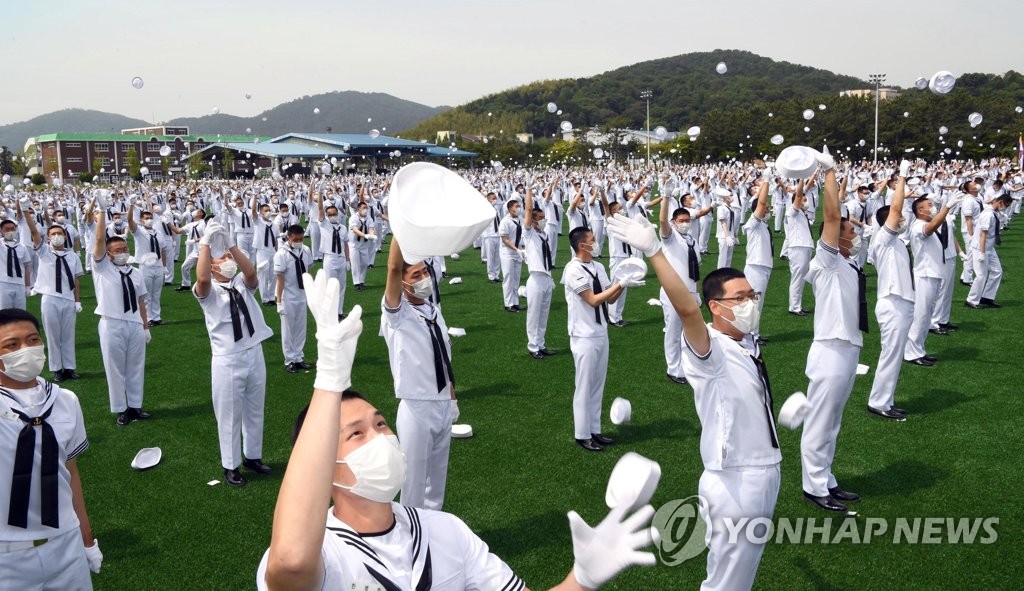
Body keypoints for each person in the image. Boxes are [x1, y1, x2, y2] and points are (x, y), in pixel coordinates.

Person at [257, 272, 657, 591]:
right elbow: (291, 565)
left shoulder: (445, 531)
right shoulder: (324, 553)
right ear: (324, 462)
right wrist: (330, 377)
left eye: (381, 424)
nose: (380, 436)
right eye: (356, 434)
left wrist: (581, 580)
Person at [606, 212, 781, 591]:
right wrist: (654, 250)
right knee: (727, 580)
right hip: (736, 477)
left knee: (737, 574)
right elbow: (687, 309)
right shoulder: (711, 348)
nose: (751, 302)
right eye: (741, 297)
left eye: (753, 295)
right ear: (716, 307)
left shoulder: (744, 343)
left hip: (761, 470)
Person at [0, 308, 102, 588]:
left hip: (65, 543)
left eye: (33, 340)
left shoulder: (65, 400)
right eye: (11, 345)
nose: (26, 349)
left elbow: (70, 472)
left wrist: (86, 537)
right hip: (7, 556)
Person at [800, 151, 863, 514]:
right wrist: (829, 172)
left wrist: (838, 181)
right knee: (822, 419)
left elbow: (838, 217)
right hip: (830, 348)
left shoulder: (847, 262)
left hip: (847, 345)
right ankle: (813, 485)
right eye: (850, 230)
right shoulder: (825, 260)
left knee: (833, 420)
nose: (854, 234)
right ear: (836, 236)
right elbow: (831, 215)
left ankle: (826, 477)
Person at [193, 220, 274, 487]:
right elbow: (203, 278)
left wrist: (230, 244)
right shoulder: (208, 293)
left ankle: (253, 455)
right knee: (229, 414)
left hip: (253, 351)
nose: (228, 261)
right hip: (227, 358)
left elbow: (251, 273)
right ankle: (230, 464)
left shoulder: (240, 282)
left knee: (254, 407)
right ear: (213, 266)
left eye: (229, 258)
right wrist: (206, 242)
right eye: (223, 259)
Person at [382, 238, 457, 510]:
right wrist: (400, 230)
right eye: (416, 275)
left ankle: (432, 530)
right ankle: (411, 536)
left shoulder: (433, 310)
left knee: (437, 479)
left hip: (441, 401)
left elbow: (444, 357)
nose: (424, 277)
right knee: (413, 481)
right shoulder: (398, 314)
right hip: (416, 406)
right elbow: (392, 268)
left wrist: (452, 398)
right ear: (402, 284)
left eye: (425, 272)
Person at [561, 227, 635, 452]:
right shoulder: (573, 270)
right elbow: (592, 300)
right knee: (584, 386)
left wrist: (624, 284)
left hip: (600, 331)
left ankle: (595, 430)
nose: (596, 243)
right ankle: (582, 434)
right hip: (583, 335)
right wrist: (619, 284)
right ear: (582, 245)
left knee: (597, 384)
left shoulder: (598, 266)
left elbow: (609, 300)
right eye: (592, 240)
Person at [91, 190, 152, 426]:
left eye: (124, 249)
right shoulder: (103, 269)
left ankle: (136, 405)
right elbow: (98, 242)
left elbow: (140, 301)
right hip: (111, 322)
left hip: (135, 323)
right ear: (108, 254)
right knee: (114, 368)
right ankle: (121, 408)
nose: (122, 253)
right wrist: (103, 213)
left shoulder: (136, 273)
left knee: (136, 366)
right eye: (117, 251)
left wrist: (146, 326)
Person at [866, 168, 915, 419]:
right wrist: (902, 178)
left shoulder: (896, 242)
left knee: (894, 356)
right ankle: (879, 402)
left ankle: (886, 399)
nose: (904, 219)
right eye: (900, 218)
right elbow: (895, 211)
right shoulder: (882, 241)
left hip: (902, 302)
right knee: (891, 355)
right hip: (892, 303)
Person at [24, 207, 83, 383]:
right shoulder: (44, 252)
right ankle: (57, 368)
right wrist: (27, 215)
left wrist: (77, 300)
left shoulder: (72, 256)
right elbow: (34, 232)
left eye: (60, 233)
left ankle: (70, 367)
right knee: (52, 335)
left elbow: (76, 279)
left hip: (68, 298)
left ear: (65, 236)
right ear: (48, 238)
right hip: (50, 297)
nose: (57, 236)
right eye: (53, 234)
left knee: (68, 334)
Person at [903, 191, 962, 366]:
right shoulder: (918, 226)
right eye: (929, 205)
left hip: (933, 275)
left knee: (926, 315)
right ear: (920, 211)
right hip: (924, 276)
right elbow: (930, 229)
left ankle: (919, 349)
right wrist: (948, 206)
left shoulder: (927, 222)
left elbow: (939, 225)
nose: (933, 207)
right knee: (921, 315)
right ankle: (911, 353)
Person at [656, 174, 702, 385]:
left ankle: (687, 364)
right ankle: (673, 368)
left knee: (689, 330)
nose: (685, 224)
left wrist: (697, 292)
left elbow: (697, 269)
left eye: (687, 221)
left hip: (690, 291)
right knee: (673, 331)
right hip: (673, 291)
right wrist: (666, 196)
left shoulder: (692, 240)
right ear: (675, 223)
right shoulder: (670, 237)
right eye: (681, 221)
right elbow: (662, 221)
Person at [523, 181, 555, 359]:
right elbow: (528, 210)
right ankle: (533, 346)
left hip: (546, 277)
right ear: (534, 220)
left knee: (544, 314)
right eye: (541, 218)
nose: (544, 220)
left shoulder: (544, 234)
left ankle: (541, 344)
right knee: (534, 315)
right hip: (535, 278)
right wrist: (529, 190)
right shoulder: (529, 233)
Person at [275, 224, 312, 373]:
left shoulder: (306, 250)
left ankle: (299, 357)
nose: (299, 241)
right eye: (296, 239)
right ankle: (289, 360)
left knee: (301, 328)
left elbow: (308, 272)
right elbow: (280, 279)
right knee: (288, 330)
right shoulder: (281, 254)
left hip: (302, 295)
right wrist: (279, 302)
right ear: (289, 237)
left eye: (301, 238)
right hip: (288, 297)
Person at [965, 195, 1010, 309]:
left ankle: (987, 297)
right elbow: (982, 234)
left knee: (997, 271)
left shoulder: (993, 212)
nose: (1006, 207)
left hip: (990, 247)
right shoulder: (988, 214)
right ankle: (972, 300)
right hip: (981, 248)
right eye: (1006, 205)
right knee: (981, 275)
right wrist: (982, 252)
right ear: (1000, 202)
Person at [127, 204, 168, 327]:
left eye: (150, 217)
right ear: (141, 220)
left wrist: (164, 266)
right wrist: (130, 205)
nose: (149, 219)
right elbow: (129, 221)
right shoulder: (139, 231)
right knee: (146, 294)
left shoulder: (158, 233)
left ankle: (156, 317)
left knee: (156, 293)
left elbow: (164, 250)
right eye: (146, 217)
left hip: (158, 265)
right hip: (145, 266)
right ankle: (148, 318)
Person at [314, 192, 351, 319]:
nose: (332, 216)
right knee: (330, 287)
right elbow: (320, 208)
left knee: (341, 286)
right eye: (329, 214)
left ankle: (339, 311)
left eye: (334, 214)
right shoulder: (324, 225)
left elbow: (346, 244)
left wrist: (347, 260)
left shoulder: (343, 228)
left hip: (341, 258)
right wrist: (319, 193)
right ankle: (329, 312)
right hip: (329, 258)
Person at [784, 180, 814, 316]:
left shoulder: (802, 213)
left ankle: (797, 304)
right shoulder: (793, 211)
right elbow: (798, 195)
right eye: (804, 199)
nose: (807, 201)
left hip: (804, 246)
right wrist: (802, 178)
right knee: (797, 277)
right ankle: (794, 307)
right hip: (798, 247)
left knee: (801, 277)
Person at [498, 199, 525, 312]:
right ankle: (508, 303)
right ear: (510, 209)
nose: (519, 208)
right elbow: (504, 239)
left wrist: (522, 249)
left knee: (516, 279)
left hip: (518, 252)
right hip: (508, 253)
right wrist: (516, 249)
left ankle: (515, 302)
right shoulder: (505, 221)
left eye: (519, 206)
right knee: (508, 278)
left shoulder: (520, 219)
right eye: (516, 206)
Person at [0, 217, 32, 311]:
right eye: (7, 229)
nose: (10, 231)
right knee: (4, 312)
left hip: (19, 283)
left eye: (12, 229)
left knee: (20, 312)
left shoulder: (22, 247)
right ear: (1, 231)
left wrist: (27, 285)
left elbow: (27, 267)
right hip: (4, 283)